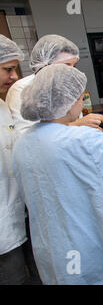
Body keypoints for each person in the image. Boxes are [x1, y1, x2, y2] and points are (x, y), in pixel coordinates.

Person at [12, 64, 103, 284]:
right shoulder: (79, 140)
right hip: (81, 250)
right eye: (80, 97)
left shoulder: (24, 143)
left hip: (49, 247)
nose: (82, 102)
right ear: (69, 103)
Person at [6, 34, 103, 134]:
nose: (72, 71)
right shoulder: (22, 88)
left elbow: (76, 118)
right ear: (45, 65)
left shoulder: (66, 85)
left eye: (74, 65)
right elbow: (25, 134)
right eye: (66, 65)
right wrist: (77, 125)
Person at [0, 34, 40, 285]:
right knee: (13, 278)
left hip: (21, 210)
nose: (14, 76)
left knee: (38, 274)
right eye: (8, 69)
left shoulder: (3, 107)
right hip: (2, 226)